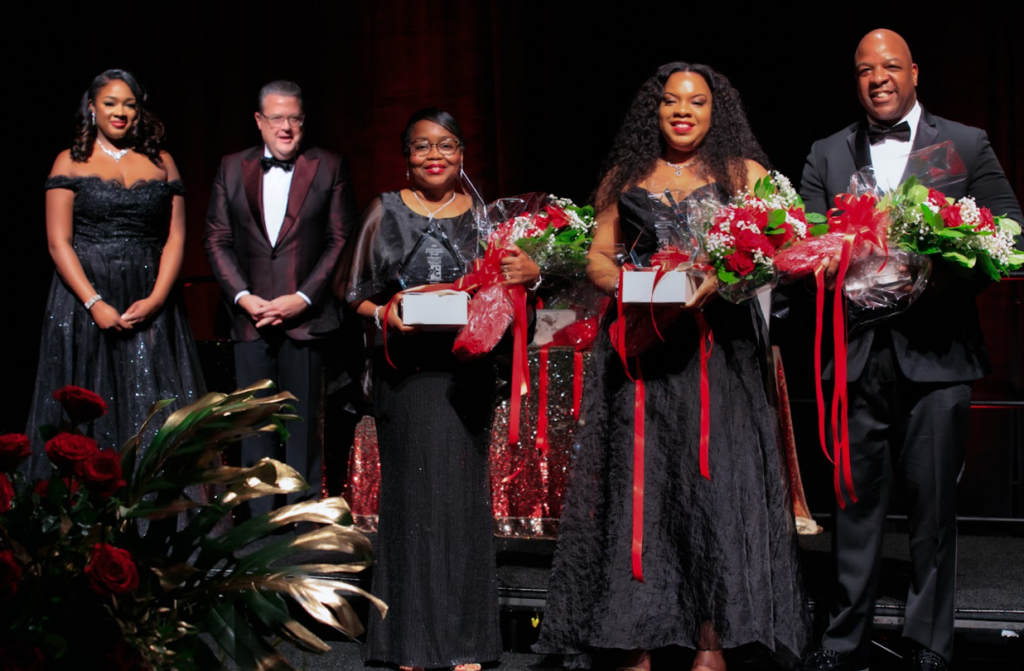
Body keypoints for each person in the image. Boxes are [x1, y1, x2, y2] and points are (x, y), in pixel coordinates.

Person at [533, 63, 808, 671]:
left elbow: (783, 248)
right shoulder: (625, 176)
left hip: (720, 358)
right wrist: (636, 284)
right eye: (670, 102)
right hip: (643, 356)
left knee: (711, 494)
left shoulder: (747, 175)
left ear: (717, 111)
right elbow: (597, 260)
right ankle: (638, 635)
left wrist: (725, 274)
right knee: (646, 495)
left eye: (697, 102)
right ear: (653, 112)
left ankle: (711, 642)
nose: (683, 111)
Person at [796, 30, 1023, 671]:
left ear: (915, 72)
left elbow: (1010, 226)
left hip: (938, 353)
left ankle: (929, 641)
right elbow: (806, 244)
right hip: (856, 356)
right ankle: (843, 639)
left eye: (891, 66)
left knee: (932, 509)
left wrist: (943, 260)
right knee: (853, 507)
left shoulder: (967, 143)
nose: (879, 78)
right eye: (866, 69)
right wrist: (846, 260)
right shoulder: (826, 152)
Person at [343, 107, 539, 671]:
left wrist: (529, 273)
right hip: (407, 377)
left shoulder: (485, 218)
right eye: (423, 146)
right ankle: (410, 643)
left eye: (447, 145)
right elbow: (349, 291)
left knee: (461, 506)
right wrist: (385, 310)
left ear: (462, 155)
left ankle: (463, 643)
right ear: (406, 157)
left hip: (466, 375)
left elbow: (510, 292)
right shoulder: (382, 210)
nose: (435, 155)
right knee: (412, 505)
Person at [25, 69, 205, 473]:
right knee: (89, 405)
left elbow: (176, 239)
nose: (120, 112)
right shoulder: (69, 161)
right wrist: (94, 303)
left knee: (155, 403)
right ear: (92, 108)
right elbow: (58, 242)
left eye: (129, 104)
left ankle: (155, 522)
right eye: (110, 103)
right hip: (84, 298)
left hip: (149, 294)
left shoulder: (163, 162)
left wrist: (158, 298)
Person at [204, 81, 357, 516]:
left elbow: (339, 240)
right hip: (248, 319)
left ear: (303, 121)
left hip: (304, 320)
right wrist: (244, 297)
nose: (286, 127)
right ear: (259, 121)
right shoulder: (231, 167)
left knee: (302, 428)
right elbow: (216, 239)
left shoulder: (328, 166)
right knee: (253, 429)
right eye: (277, 118)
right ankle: (258, 531)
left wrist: (304, 297)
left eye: (294, 118)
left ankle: (303, 527)